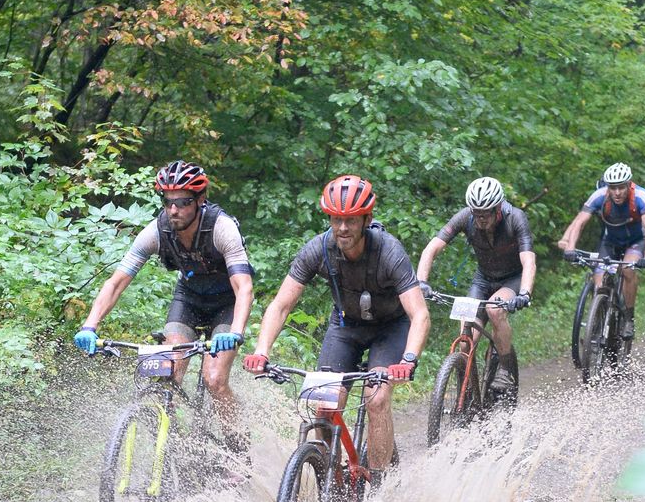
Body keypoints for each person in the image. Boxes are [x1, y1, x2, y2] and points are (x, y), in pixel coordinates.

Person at [243, 175, 429, 479]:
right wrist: (262, 351)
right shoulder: (317, 249)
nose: (343, 228)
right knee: (325, 403)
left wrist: (408, 360)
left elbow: (419, 314)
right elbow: (281, 305)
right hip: (346, 326)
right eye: (337, 219)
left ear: (366, 220)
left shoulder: (389, 252)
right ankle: (332, 477)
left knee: (377, 397)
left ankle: (379, 486)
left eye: (351, 220)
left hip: (391, 327)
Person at [73, 160, 254, 446]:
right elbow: (117, 282)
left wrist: (236, 332)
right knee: (167, 370)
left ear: (200, 200)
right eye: (168, 202)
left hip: (226, 304)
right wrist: (90, 325)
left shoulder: (222, 228)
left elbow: (244, 287)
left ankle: (238, 446)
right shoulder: (156, 231)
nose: (173, 210)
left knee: (214, 378)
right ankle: (177, 447)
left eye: (182, 202)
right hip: (189, 299)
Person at [415, 176, 535, 392]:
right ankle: (467, 393)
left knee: (494, 310)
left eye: (486, 213)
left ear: (498, 207)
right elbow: (431, 249)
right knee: (465, 342)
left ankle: (506, 369)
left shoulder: (516, 218)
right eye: (476, 213)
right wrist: (421, 282)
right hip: (483, 279)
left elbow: (528, 260)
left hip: (511, 279)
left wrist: (525, 293)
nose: (480, 219)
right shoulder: (465, 217)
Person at [557, 162, 645, 339]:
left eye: (621, 187)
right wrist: (570, 248)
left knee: (627, 270)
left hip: (635, 241)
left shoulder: (641, 196)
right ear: (607, 187)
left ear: (629, 184)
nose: (617, 192)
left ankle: (628, 318)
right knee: (600, 282)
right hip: (610, 242)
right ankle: (598, 319)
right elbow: (579, 222)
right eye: (612, 188)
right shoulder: (599, 196)